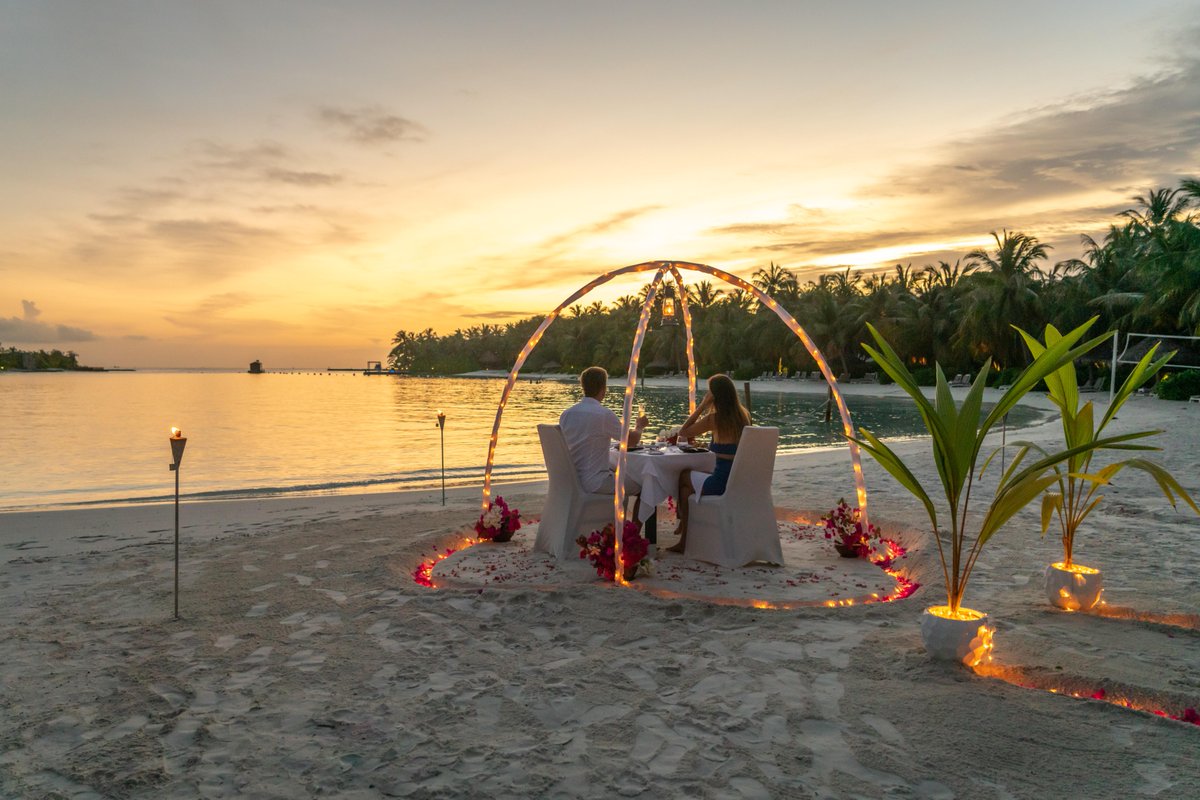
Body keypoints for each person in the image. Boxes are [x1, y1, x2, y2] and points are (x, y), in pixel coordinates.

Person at [668, 373, 751, 553]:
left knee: (683, 477)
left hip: (721, 482)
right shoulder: (743, 415)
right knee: (687, 486)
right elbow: (733, 447)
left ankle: (684, 535)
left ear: (715, 396)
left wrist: (702, 405)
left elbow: (684, 432)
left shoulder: (715, 419)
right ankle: (685, 527)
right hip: (739, 481)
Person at [559, 366, 648, 514]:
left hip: (571, 480)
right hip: (595, 482)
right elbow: (631, 441)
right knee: (644, 485)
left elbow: (584, 441)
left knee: (615, 468)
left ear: (583, 387)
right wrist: (639, 426)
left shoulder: (567, 414)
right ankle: (634, 533)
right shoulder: (603, 415)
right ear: (603, 389)